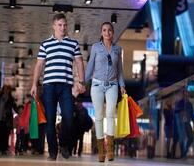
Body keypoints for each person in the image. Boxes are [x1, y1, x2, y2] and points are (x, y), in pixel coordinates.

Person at [30, 13, 86, 161]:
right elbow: (39, 64)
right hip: (49, 86)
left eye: (65, 25)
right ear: (54, 26)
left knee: (68, 117)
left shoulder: (73, 43)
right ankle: (53, 151)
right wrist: (34, 84)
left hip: (66, 86)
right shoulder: (45, 44)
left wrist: (81, 81)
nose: (63, 27)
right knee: (50, 120)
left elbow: (79, 62)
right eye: (60, 25)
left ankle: (64, 144)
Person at [85, 22, 126, 162]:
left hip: (113, 85)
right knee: (99, 116)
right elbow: (90, 65)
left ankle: (110, 150)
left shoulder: (117, 49)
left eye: (109, 30)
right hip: (97, 85)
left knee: (110, 114)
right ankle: (101, 151)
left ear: (113, 33)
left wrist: (122, 85)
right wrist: (82, 82)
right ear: (101, 32)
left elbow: (120, 70)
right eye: (104, 30)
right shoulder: (96, 47)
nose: (107, 33)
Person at [0, 85, 18, 154]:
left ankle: (3, 149)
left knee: (5, 135)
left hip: (6, 120)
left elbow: (15, 109)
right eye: (5, 89)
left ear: (9, 90)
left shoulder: (11, 99)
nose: (6, 91)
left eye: (7, 89)